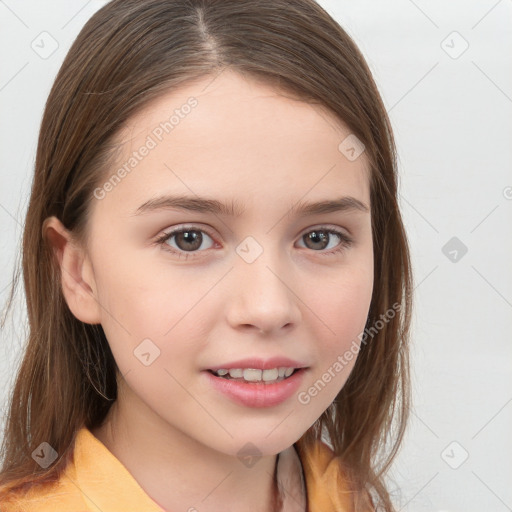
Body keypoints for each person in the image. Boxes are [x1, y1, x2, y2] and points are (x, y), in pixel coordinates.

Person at [0, 0, 413, 510]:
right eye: (188, 238)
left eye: (319, 238)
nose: (267, 308)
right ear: (78, 273)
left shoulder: (349, 496)